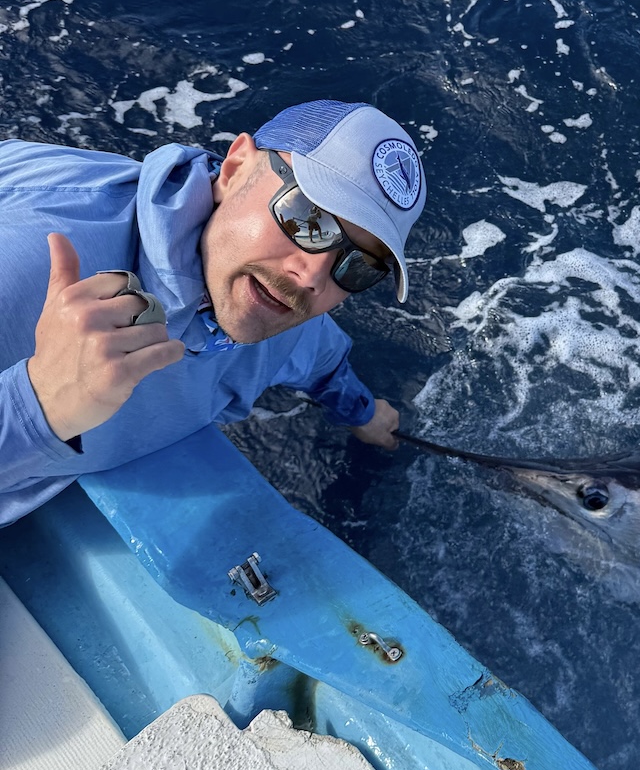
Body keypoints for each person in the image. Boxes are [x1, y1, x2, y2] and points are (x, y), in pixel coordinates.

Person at [0, 99, 426, 527]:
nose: (311, 275)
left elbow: (321, 359)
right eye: (307, 218)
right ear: (235, 168)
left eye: (359, 265)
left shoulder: (280, 305)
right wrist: (39, 408)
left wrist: (363, 413)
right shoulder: (28, 267)